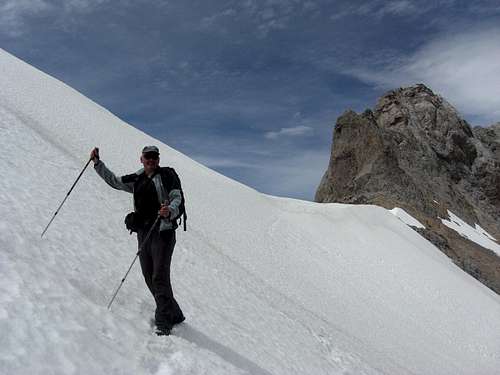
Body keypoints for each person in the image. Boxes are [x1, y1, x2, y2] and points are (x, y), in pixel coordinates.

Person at [90, 145, 185, 335]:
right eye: (147, 157)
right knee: (149, 275)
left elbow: (177, 197)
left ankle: (164, 321)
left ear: (158, 159)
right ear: (141, 158)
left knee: (159, 275)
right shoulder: (137, 178)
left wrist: (170, 211)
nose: (151, 160)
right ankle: (174, 313)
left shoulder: (167, 176)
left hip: (163, 232)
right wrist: (97, 163)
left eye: (154, 157)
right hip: (144, 232)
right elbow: (115, 181)